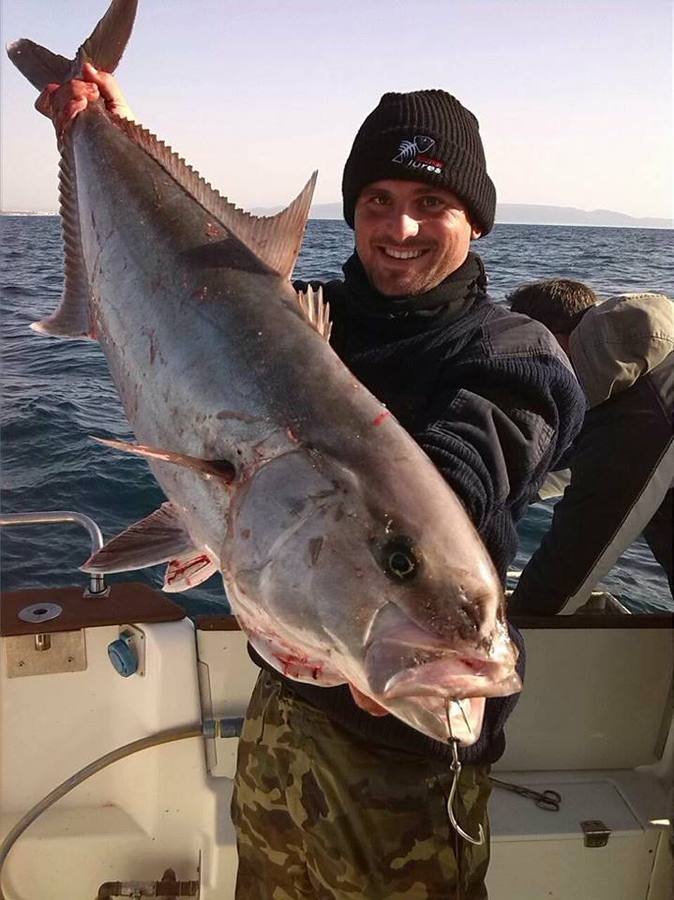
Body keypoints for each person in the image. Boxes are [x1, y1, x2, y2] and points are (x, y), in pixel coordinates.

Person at [37, 76, 585, 898]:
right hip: (284, 709)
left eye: (431, 201)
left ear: (475, 218)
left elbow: (460, 483)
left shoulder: (515, 355)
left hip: (405, 767)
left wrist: (394, 591)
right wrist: (105, 136)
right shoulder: (284, 312)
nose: (399, 227)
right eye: (376, 200)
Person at [508, 280, 674, 614]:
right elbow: (574, 463)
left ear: (552, 341)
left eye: (524, 352)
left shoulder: (643, 412)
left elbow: (576, 560)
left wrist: (510, 633)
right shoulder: (631, 377)